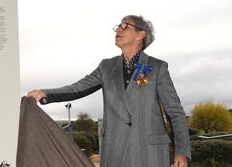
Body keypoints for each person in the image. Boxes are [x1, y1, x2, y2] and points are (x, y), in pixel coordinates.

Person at [27, 15, 191, 167]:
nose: (118, 29)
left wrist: (182, 151)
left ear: (140, 35)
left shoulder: (157, 67)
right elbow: (78, 87)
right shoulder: (106, 67)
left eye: (124, 26)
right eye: (118, 26)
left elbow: (175, 112)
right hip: (115, 151)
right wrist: (46, 93)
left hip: (150, 152)